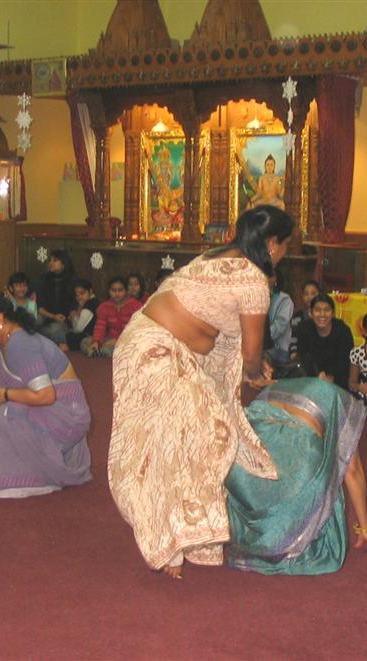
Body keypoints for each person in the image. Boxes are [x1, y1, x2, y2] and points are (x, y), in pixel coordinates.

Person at [109, 205, 294, 579]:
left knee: (179, 440)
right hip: (155, 351)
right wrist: (255, 373)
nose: (286, 253)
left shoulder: (215, 257)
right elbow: (252, 353)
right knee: (203, 435)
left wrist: (253, 367)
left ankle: (180, 538)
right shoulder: (253, 279)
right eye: (286, 245)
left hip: (149, 344)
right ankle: (170, 540)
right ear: (273, 244)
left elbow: (226, 332)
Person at [226, 378, 367, 574]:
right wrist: (366, 528)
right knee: (332, 467)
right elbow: (352, 471)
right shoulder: (342, 402)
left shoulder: (275, 388)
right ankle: (293, 548)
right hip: (294, 465)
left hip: (245, 466)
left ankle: (256, 538)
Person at [0, 292, 92, 498]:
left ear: (0, 319)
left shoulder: (21, 344)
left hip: (65, 414)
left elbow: (46, 396)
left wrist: (6, 394)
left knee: (7, 417)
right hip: (39, 407)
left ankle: (39, 469)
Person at [295, 293, 354, 386]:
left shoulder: (343, 331)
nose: (322, 314)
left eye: (327, 310)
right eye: (317, 310)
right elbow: (303, 356)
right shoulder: (304, 329)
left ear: (333, 313)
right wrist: (317, 374)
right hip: (312, 378)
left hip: (339, 380)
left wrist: (331, 375)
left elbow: (346, 361)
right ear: (310, 313)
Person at [81, 277, 142, 358]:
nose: (117, 294)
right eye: (113, 290)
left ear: (126, 291)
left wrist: (118, 340)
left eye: (120, 290)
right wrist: (97, 341)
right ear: (109, 291)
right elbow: (100, 327)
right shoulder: (104, 307)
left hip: (128, 339)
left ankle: (100, 352)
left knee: (109, 350)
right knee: (84, 341)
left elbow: (136, 328)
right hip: (109, 339)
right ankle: (99, 350)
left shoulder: (135, 306)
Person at [36, 250, 76, 345]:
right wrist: (53, 316)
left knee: (56, 330)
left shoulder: (73, 281)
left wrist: (71, 315)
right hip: (46, 316)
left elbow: (74, 305)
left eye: (55, 260)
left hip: (63, 320)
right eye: (50, 260)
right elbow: (40, 307)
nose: (51, 263)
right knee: (35, 321)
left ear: (64, 263)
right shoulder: (44, 279)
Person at [264, 271, 294, 366]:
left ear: (275, 278)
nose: (266, 279)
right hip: (258, 347)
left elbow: (276, 330)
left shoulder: (285, 300)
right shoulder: (252, 297)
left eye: (269, 276)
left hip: (278, 349)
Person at [63, 279, 99, 352]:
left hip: (89, 335)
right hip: (84, 333)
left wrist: (75, 314)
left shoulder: (91, 304)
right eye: (77, 295)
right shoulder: (85, 302)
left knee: (69, 335)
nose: (79, 297)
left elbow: (78, 329)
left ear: (90, 291)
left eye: (82, 293)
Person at [288, 279, 320, 359]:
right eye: (306, 294)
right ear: (302, 296)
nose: (309, 297)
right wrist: (293, 352)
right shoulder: (297, 316)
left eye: (313, 293)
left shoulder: (323, 316)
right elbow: (293, 338)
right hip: (302, 355)